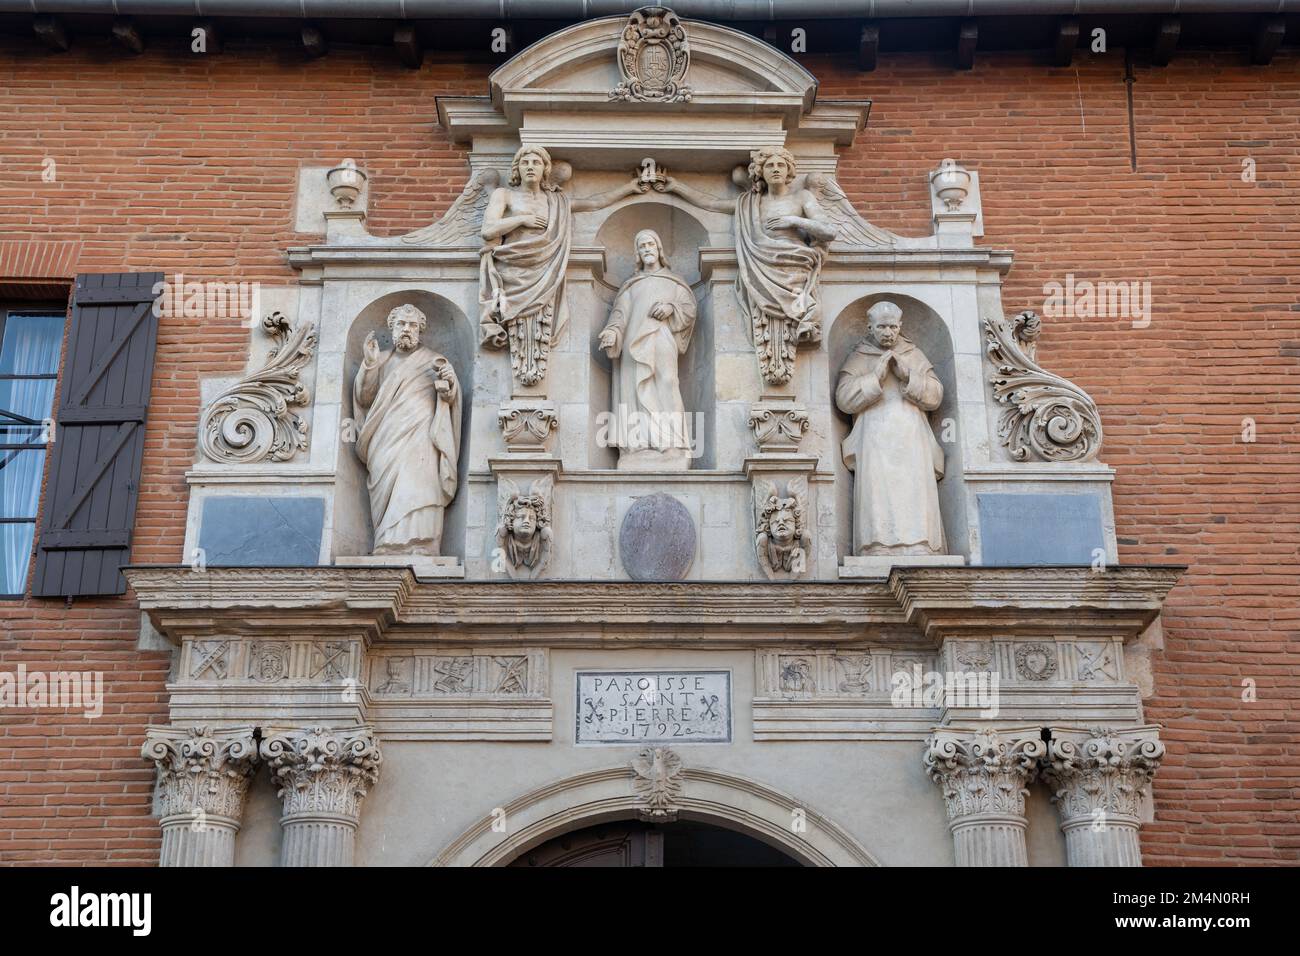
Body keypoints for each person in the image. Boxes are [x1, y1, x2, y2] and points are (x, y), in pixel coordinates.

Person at [835, 300, 947, 556]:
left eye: (893, 327)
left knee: (914, 488)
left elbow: (936, 396)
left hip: (912, 436)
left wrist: (909, 375)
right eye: (882, 327)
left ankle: (921, 544)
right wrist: (874, 377)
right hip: (873, 437)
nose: (888, 332)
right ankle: (877, 545)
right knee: (878, 491)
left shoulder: (913, 354)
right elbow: (843, 399)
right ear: (870, 327)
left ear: (900, 326)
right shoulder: (860, 356)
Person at [353, 304, 460, 555]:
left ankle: (422, 544)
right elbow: (365, 399)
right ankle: (386, 542)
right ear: (392, 328)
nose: (406, 330)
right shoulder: (381, 360)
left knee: (419, 485)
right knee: (389, 487)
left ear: (420, 330)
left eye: (412, 325)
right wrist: (369, 366)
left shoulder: (433, 360)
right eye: (401, 324)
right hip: (384, 437)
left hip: (421, 434)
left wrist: (449, 384)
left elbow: (450, 396)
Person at [598, 229, 697, 470]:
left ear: (659, 248)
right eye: (642, 246)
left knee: (668, 382)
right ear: (637, 254)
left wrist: (671, 308)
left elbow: (690, 308)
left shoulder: (674, 282)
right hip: (633, 342)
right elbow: (619, 315)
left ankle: (673, 445)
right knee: (635, 389)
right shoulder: (631, 285)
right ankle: (639, 445)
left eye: (651, 244)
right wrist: (612, 332)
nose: (647, 249)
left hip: (662, 337)